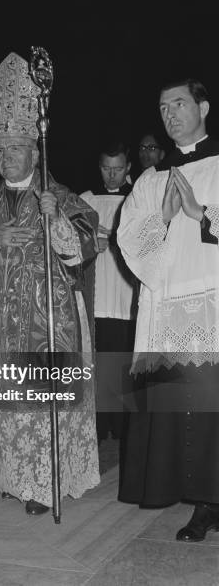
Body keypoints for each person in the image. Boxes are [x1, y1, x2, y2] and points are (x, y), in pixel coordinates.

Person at [0, 52, 100, 515]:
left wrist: (57, 222)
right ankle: (15, 475)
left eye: (13, 149)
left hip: (48, 323)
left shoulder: (59, 195)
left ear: (35, 152)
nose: (4, 157)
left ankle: (46, 482)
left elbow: (83, 244)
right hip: (0, 323)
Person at [117, 79, 219, 542]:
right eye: (162, 107)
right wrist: (161, 217)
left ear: (203, 107)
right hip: (169, 308)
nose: (170, 113)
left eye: (179, 104)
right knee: (187, 408)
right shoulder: (150, 179)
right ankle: (202, 500)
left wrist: (202, 214)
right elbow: (129, 243)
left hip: (213, 303)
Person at [81, 142, 138, 443]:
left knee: (125, 364)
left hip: (127, 297)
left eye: (118, 169)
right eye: (106, 168)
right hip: (96, 297)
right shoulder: (84, 200)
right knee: (97, 364)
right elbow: (68, 246)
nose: (112, 175)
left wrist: (115, 242)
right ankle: (98, 425)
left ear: (128, 168)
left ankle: (124, 425)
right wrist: (90, 246)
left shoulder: (140, 199)